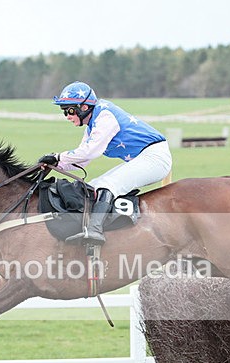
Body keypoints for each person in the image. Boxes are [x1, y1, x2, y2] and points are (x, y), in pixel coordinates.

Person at [38, 81, 172, 245]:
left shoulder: (105, 116)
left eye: (70, 110)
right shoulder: (92, 124)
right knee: (95, 185)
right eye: (63, 111)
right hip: (143, 157)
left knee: (107, 185)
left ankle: (94, 231)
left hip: (155, 157)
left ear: (84, 107)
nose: (67, 116)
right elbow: (83, 159)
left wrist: (58, 156)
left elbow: (91, 151)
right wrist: (53, 165)